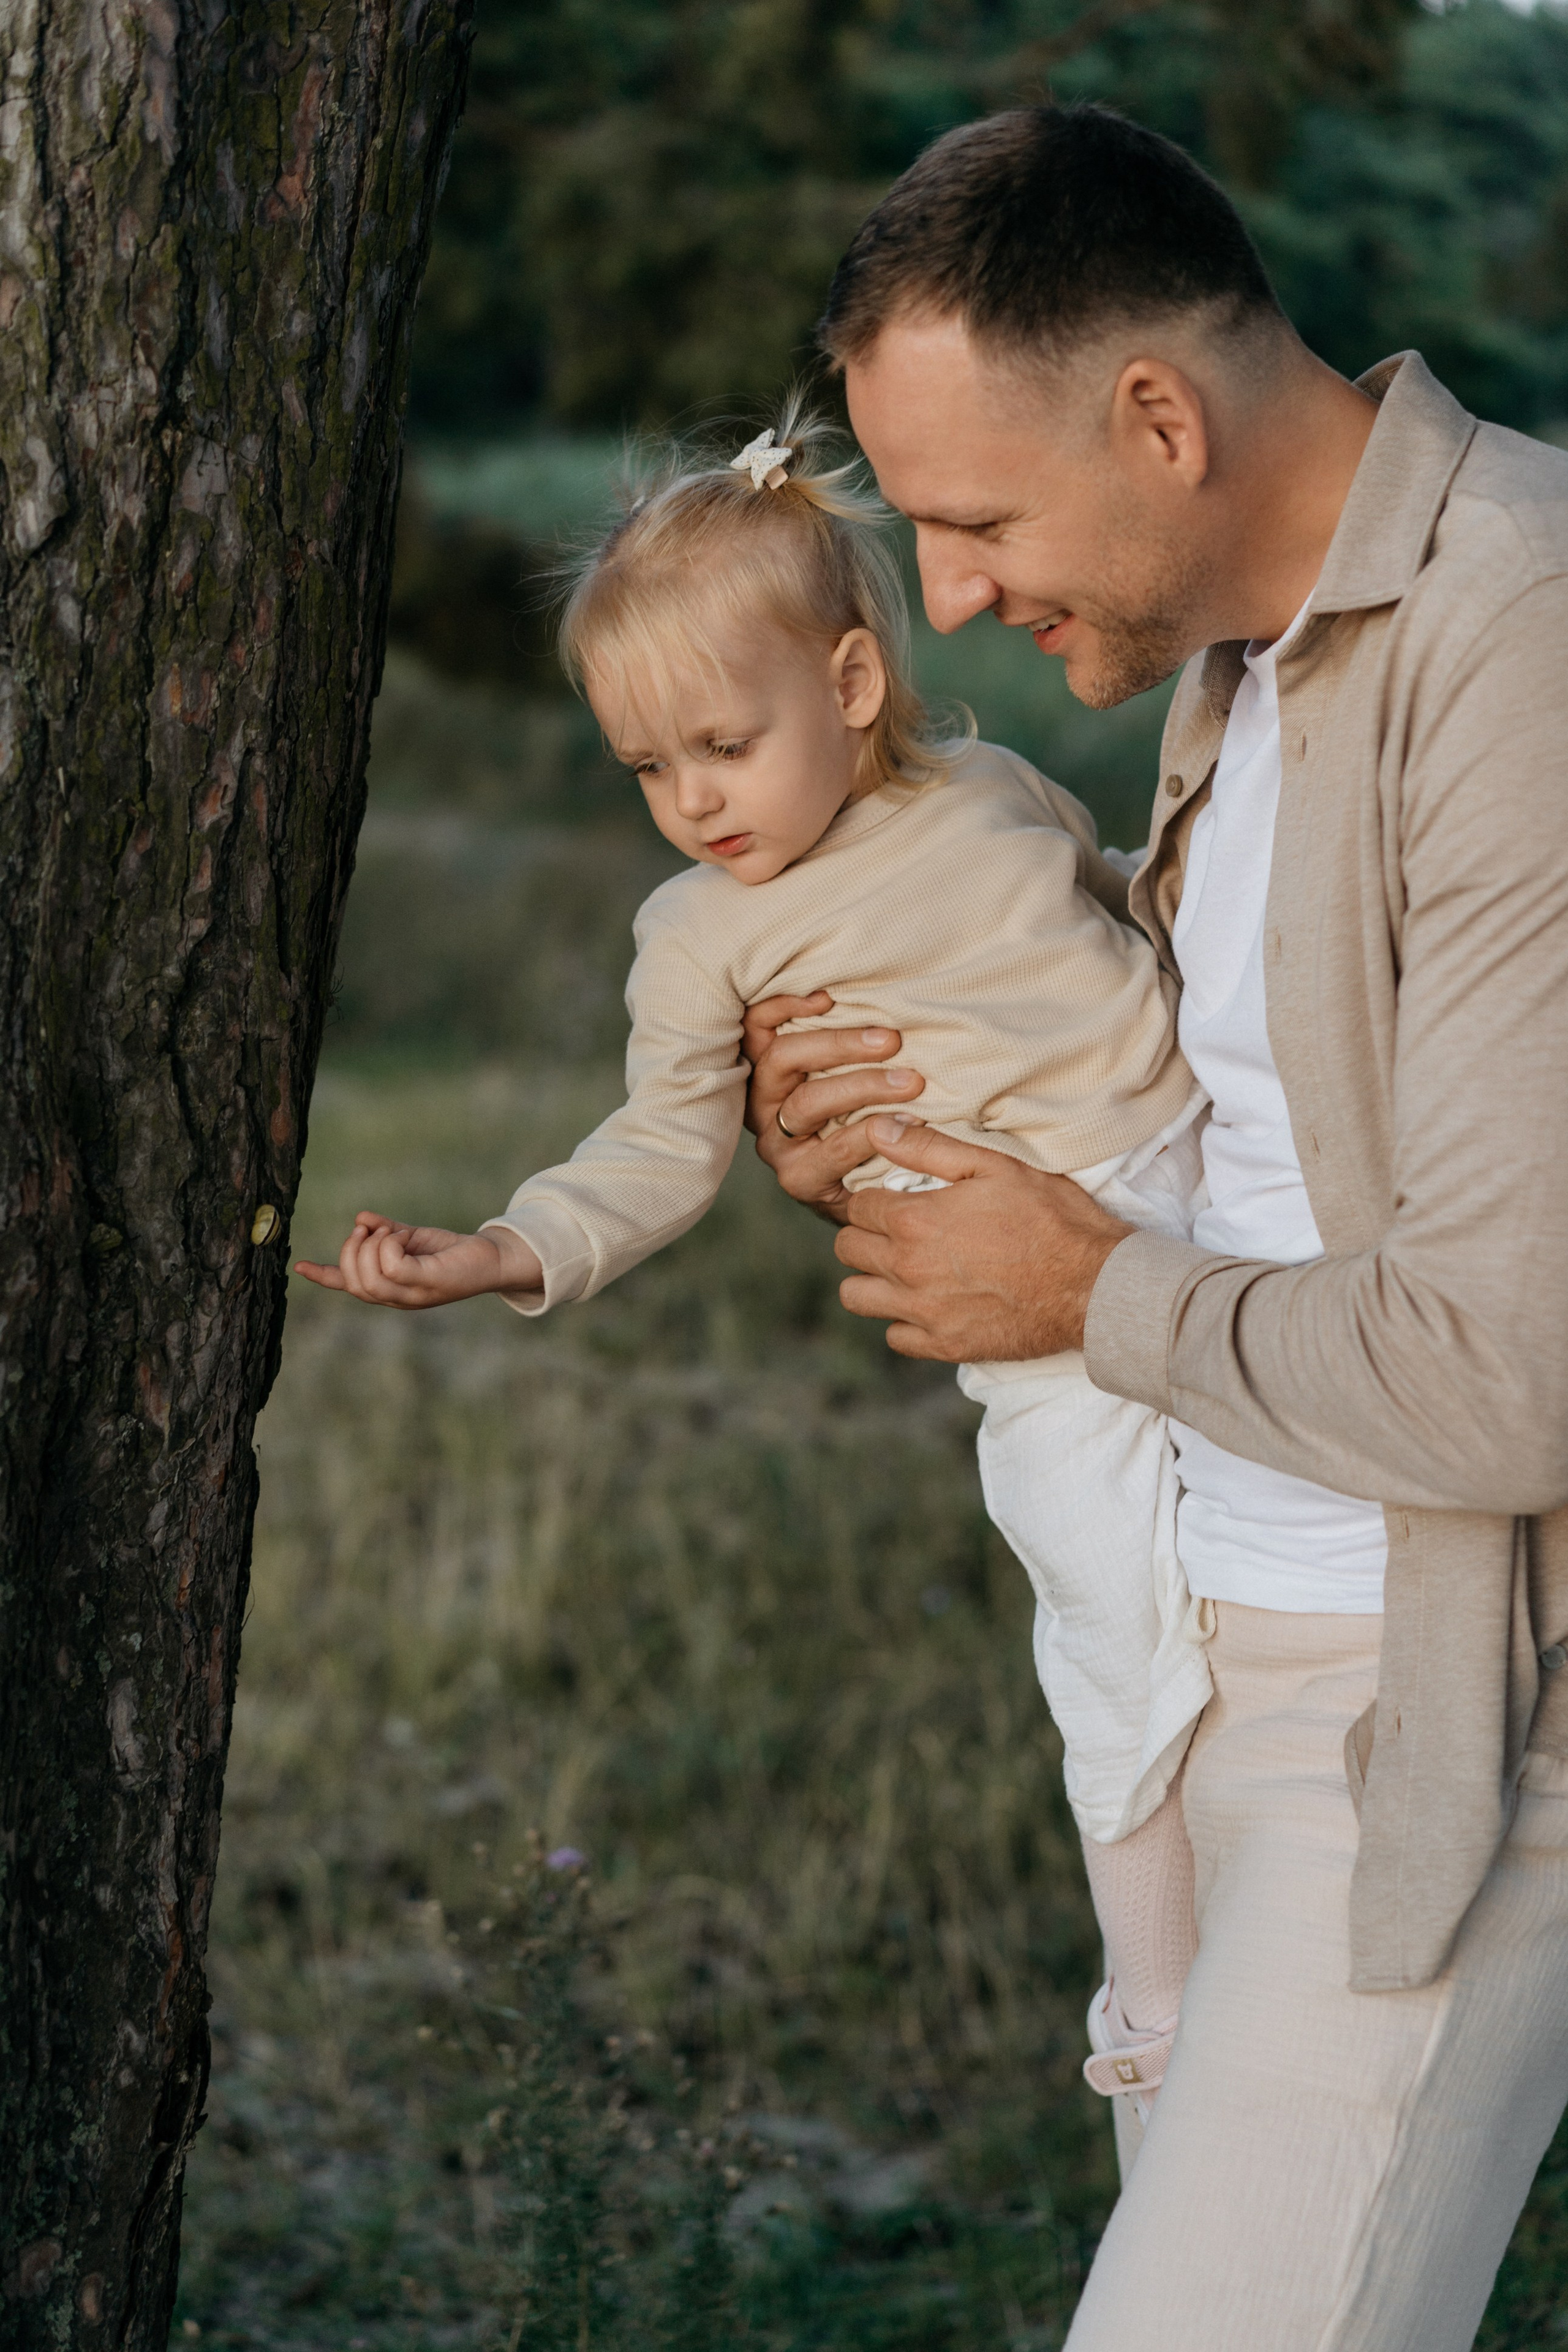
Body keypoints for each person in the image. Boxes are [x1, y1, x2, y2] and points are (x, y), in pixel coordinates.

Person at [741, 101, 1568, 2352]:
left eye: (975, 520)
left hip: (1448, 1717)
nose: (962, 599)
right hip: (1216, 1676)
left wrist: (1084, 1292)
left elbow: (1518, 1368)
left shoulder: (1523, 643)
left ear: (1159, 418)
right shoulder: (1253, 647)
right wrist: (921, 1076)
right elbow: (1277, 1061)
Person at [295, 404, 1215, 2124]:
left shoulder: (996, 793)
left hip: (1213, 1203)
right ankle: (1162, 2020)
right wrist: (503, 1248)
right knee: (1120, 1644)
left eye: (721, 743)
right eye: (648, 769)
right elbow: (655, 1148)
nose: (692, 801)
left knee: (1290, 1599)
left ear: (855, 687)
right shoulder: (706, 936)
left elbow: (1137, 920)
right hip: (1040, 1332)